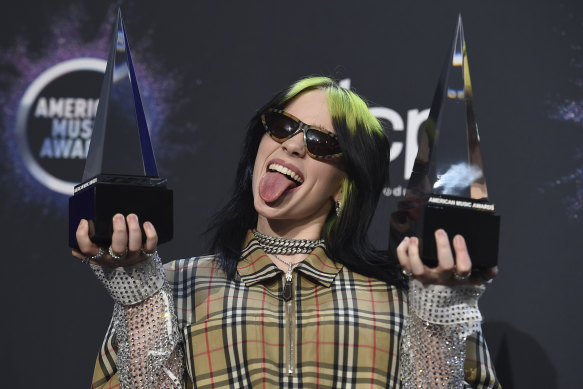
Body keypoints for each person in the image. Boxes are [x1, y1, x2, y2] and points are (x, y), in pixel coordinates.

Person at [73, 77, 500, 388]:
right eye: (282, 126)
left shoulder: (405, 299)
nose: (292, 145)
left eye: (320, 143)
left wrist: (437, 317)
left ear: (344, 186)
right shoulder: (172, 287)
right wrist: (140, 299)